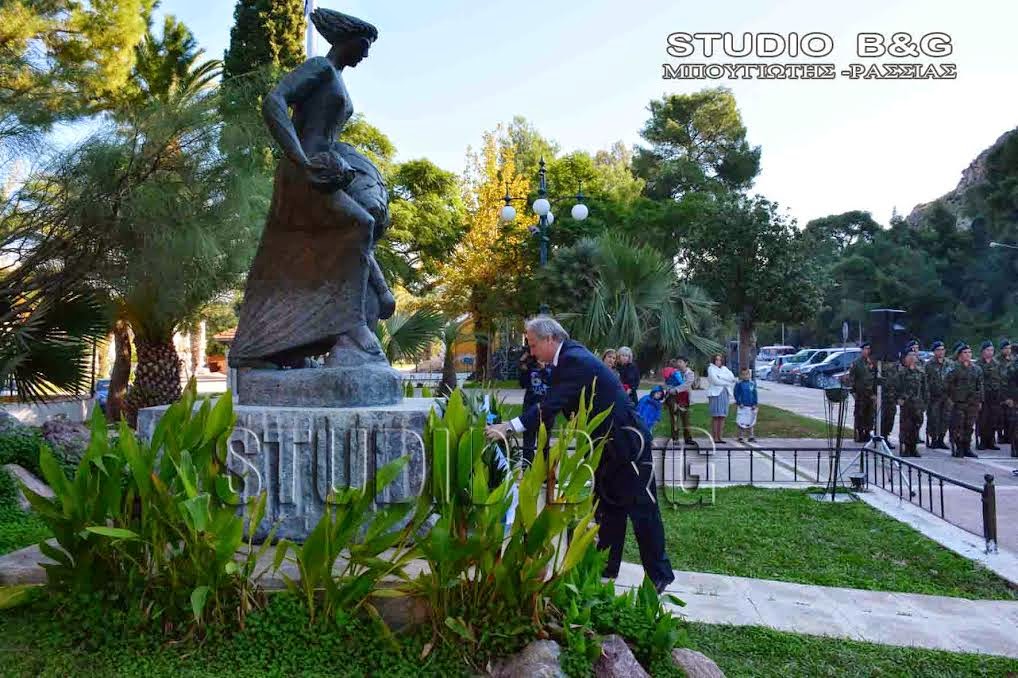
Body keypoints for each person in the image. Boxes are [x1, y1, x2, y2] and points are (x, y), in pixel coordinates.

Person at [230, 9, 395, 369]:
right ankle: (350, 327)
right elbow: (274, 101)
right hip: (305, 173)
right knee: (360, 225)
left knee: (314, 249)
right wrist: (301, 159)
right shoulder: (320, 68)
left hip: (324, 171)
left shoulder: (335, 76)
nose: (365, 55)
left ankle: (286, 343)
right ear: (346, 40)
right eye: (363, 46)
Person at [484, 316, 674, 593]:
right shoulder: (567, 359)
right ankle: (605, 566)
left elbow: (550, 405)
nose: (532, 351)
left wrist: (509, 427)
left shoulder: (574, 361)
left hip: (628, 444)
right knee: (608, 508)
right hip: (605, 446)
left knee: (642, 509)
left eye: (534, 344)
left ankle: (660, 574)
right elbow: (556, 408)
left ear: (550, 339)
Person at [945, 343, 982, 458]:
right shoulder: (954, 368)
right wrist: (950, 399)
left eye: (969, 352)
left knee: (969, 426)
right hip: (958, 403)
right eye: (965, 353)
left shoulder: (976, 369)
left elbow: (980, 386)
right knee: (958, 426)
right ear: (959, 355)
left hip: (972, 403)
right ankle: (958, 448)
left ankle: (967, 447)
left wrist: (980, 400)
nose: (968, 355)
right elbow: (947, 384)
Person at [517, 344, 552, 464]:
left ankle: (545, 472)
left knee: (545, 443)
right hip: (530, 405)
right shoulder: (530, 367)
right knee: (528, 442)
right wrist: (522, 365)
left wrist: (543, 369)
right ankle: (527, 469)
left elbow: (552, 381)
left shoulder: (551, 365)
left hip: (546, 407)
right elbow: (522, 384)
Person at [896, 350, 928, 457]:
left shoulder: (920, 372)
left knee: (916, 426)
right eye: (909, 355)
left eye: (914, 355)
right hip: (906, 404)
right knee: (906, 427)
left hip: (918, 405)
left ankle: (913, 448)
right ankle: (906, 448)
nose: (912, 357)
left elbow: (925, 389)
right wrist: (899, 398)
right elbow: (896, 387)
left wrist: (925, 403)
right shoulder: (901, 372)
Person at [976, 340, 1002, 451]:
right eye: (988, 350)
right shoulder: (978, 364)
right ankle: (982, 441)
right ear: (982, 351)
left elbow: (1001, 380)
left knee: (993, 419)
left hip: (995, 396)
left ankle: (991, 441)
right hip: (983, 396)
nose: (990, 352)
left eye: (992, 350)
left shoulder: (997, 364)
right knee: (983, 420)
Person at [849, 342, 877, 443]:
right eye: (865, 348)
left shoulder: (873, 363)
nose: (867, 351)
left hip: (871, 395)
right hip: (860, 394)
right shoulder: (857, 363)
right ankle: (859, 433)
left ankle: (867, 432)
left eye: (869, 349)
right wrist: (852, 391)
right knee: (860, 414)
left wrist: (875, 394)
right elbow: (851, 378)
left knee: (870, 415)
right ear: (862, 350)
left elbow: (876, 379)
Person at [924, 341, 950, 449]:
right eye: (938, 350)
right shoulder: (929, 365)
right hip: (934, 396)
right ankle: (933, 439)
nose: (941, 352)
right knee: (933, 418)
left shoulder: (949, 363)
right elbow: (925, 381)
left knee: (945, 418)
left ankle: (941, 439)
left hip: (946, 396)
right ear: (934, 352)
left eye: (942, 349)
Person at [706, 354, 736, 444]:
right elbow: (715, 381)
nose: (718, 361)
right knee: (716, 416)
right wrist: (726, 381)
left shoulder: (725, 369)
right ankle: (714, 437)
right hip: (715, 394)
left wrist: (721, 377)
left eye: (720, 360)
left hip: (724, 393)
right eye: (716, 360)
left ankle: (720, 437)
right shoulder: (711, 368)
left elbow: (732, 378)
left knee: (722, 416)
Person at [665, 357, 696, 444]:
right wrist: (669, 389)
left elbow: (687, 384)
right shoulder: (673, 372)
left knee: (685, 419)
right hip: (673, 398)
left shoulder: (690, 373)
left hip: (684, 398)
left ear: (686, 363)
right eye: (677, 362)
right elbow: (667, 382)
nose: (678, 363)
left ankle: (688, 438)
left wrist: (676, 389)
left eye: (681, 362)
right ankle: (675, 438)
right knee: (674, 418)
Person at [733, 368, 758, 442]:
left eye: (747, 374)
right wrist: (739, 402)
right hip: (742, 405)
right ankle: (740, 435)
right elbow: (736, 394)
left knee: (751, 421)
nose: (745, 376)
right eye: (743, 374)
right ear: (741, 375)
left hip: (750, 405)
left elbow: (754, 394)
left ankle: (751, 435)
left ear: (749, 375)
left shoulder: (752, 383)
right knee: (741, 421)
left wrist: (754, 403)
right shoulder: (739, 384)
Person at [995, 340, 1013, 444]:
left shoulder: (1012, 359)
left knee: (1009, 416)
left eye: (1009, 348)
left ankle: (1008, 435)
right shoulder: (997, 360)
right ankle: (1000, 436)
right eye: (1006, 348)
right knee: (1000, 417)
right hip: (1000, 392)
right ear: (1001, 349)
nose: (1008, 350)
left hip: (1010, 392)